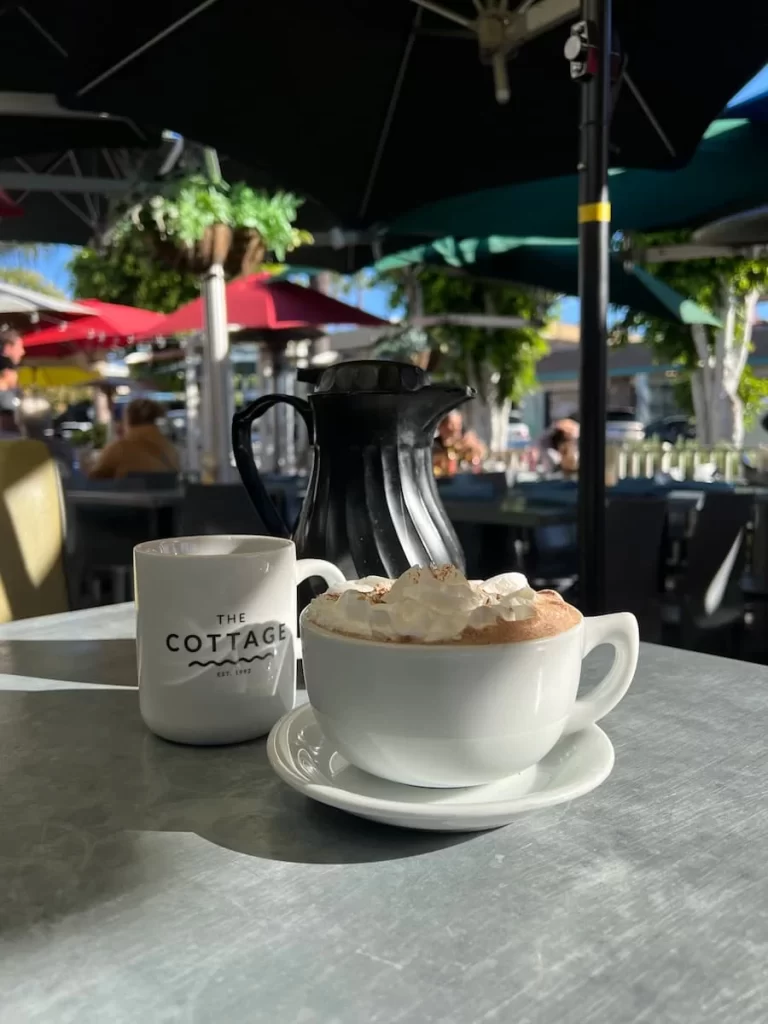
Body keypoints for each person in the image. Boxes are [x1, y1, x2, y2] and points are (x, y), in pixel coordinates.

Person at [89, 398, 180, 480]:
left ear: (128, 419)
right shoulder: (169, 448)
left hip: (128, 497)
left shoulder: (119, 449)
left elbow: (93, 480)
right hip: (163, 498)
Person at [433, 410, 487, 476]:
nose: (456, 429)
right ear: (441, 427)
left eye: (458, 425)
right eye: (452, 425)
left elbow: (481, 454)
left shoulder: (467, 440)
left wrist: (474, 448)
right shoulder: (433, 446)